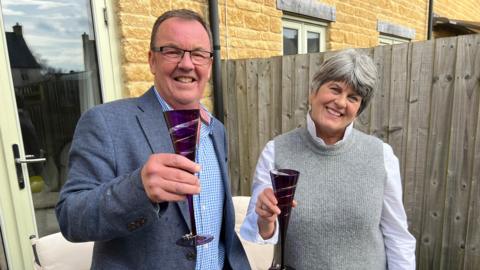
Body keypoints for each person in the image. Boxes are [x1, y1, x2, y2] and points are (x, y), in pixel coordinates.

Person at [56, 9, 250, 270]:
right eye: (172, 51)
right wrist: (138, 189)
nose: (187, 63)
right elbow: (71, 218)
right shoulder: (106, 122)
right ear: (151, 61)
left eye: (198, 54)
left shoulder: (216, 129)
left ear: (209, 63)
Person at [240, 49, 416, 269]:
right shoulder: (276, 151)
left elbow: (397, 236)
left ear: (359, 109)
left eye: (353, 97)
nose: (341, 102)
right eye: (335, 89)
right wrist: (265, 220)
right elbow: (258, 232)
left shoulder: (381, 156)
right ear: (313, 92)